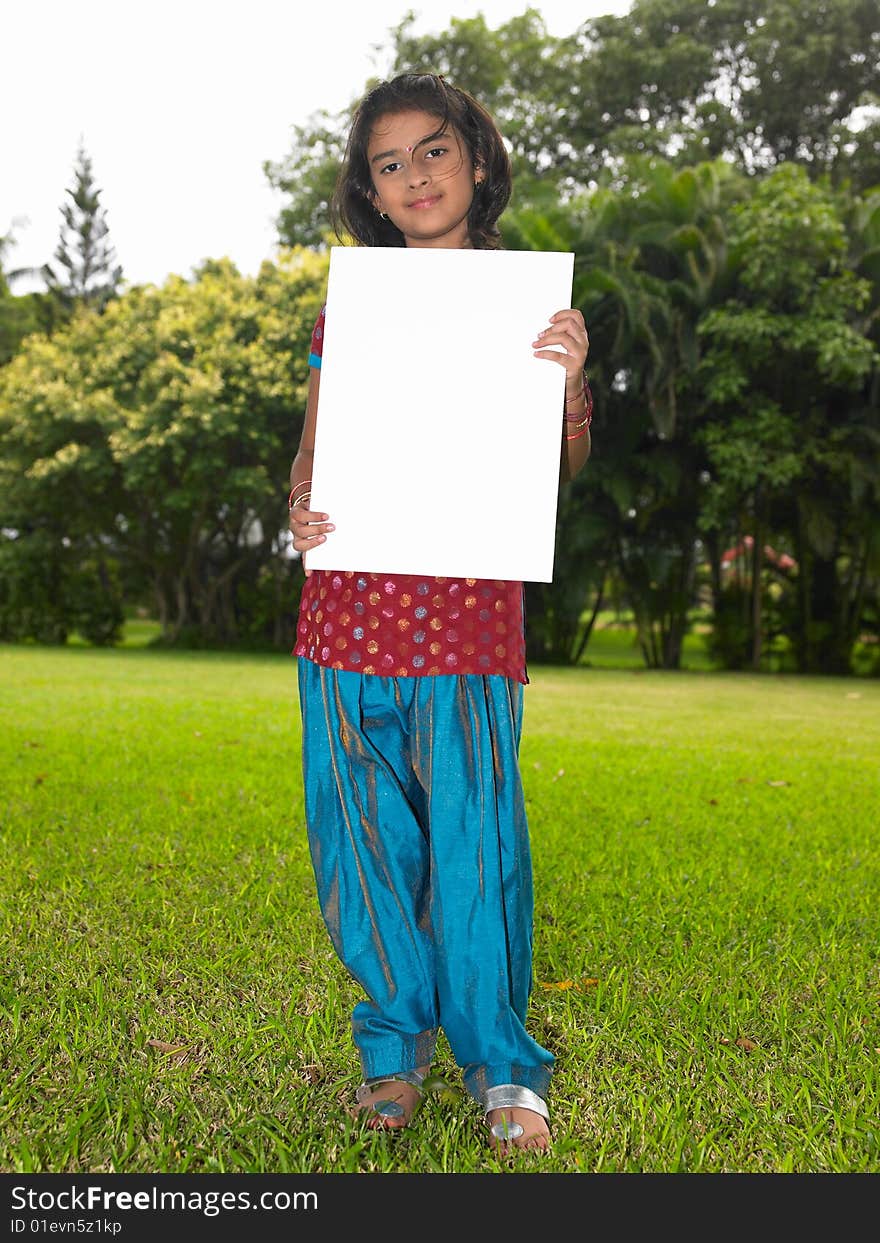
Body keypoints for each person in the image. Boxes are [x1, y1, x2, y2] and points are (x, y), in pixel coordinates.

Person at [287, 72, 592, 1155]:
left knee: (472, 845)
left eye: (431, 151)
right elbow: (314, 450)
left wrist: (567, 384)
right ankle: (390, 1044)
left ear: (473, 158)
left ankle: (503, 1062)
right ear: (367, 192)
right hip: (348, 614)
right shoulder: (351, 310)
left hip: (466, 621)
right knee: (361, 841)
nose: (413, 175)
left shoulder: (532, 303)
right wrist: (300, 510)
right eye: (387, 162)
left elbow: (560, 465)